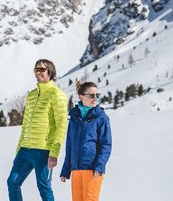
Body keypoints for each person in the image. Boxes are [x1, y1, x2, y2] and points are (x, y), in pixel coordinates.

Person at [7, 59, 68, 201]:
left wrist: (54, 152)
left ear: (50, 72)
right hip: (25, 149)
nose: (38, 72)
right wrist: (19, 149)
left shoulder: (57, 94)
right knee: (12, 182)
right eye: (36, 69)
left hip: (43, 151)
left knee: (44, 187)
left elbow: (61, 125)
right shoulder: (32, 95)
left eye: (42, 69)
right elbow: (25, 125)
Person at [59, 81, 112, 201]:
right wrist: (66, 170)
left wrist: (99, 166)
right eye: (91, 95)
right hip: (76, 169)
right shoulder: (74, 118)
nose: (95, 98)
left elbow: (106, 145)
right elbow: (70, 145)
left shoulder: (101, 118)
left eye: (96, 95)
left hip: (92, 168)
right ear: (81, 96)